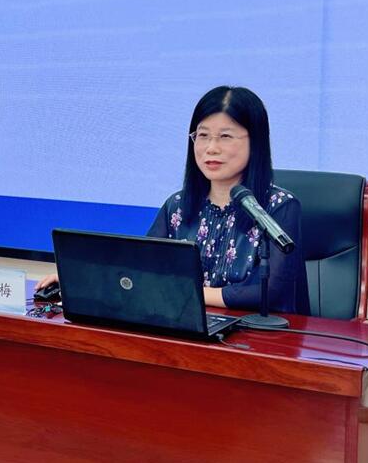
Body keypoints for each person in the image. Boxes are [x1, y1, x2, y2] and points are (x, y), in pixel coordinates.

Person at [36, 85, 309, 316]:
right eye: (202, 135)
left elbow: (271, 291)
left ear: (255, 142)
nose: (211, 148)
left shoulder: (279, 207)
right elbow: (141, 267)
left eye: (225, 136)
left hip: (258, 340)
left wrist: (189, 292)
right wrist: (82, 276)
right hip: (189, 327)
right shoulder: (178, 205)